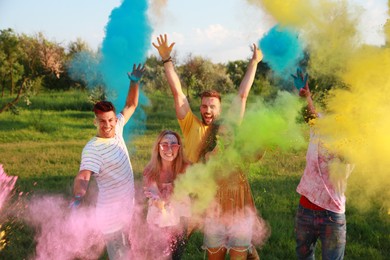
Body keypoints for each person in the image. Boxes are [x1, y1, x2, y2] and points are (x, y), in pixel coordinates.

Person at [153, 34, 266, 259]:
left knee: (231, 238)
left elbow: (242, 96)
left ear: (220, 109)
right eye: (204, 106)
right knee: (182, 240)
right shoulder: (191, 126)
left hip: (231, 194)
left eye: (212, 107)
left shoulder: (229, 127)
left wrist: (253, 62)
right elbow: (178, 93)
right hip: (201, 193)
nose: (207, 110)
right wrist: (167, 61)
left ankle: (245, 246)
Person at [71, 63, 146, 260]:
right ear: (95, 121)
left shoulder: (117, 127)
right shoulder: (92, 149)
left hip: (126, 209)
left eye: (111, 120)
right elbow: (84, 175)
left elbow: (131, 105)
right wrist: (79, 195)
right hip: (112, 218)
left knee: (130, 250)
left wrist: (134, 82)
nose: (108, 125)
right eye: (102, 121)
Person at [292, 68, 354, 260]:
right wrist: (306, 95)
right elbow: (310, 112)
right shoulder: (320, 123)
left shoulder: (354, 137)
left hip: (332, 214)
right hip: (305, 208)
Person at [142, 130, 191, 260]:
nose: (169, 149)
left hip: (180, 217)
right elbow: (154, 194)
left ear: (179, 148)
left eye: (174, 145)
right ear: (158, 147)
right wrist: (158, 200)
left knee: (175, 255)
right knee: (159, 254)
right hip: (158, 217)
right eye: (164, 144)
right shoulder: (150, 171)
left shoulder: (186, 167)